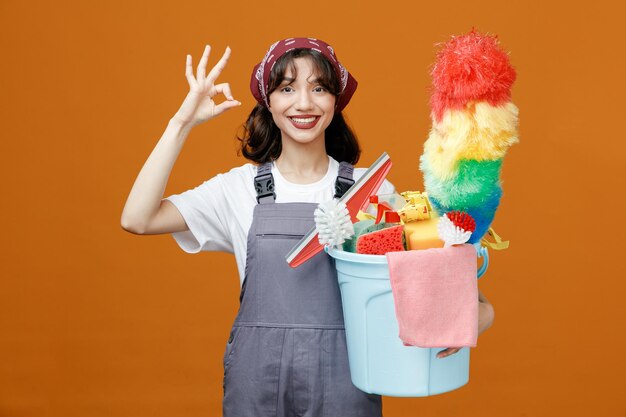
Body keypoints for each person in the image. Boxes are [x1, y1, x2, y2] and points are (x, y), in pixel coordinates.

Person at [121, 37, 495, 416]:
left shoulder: (372, 190)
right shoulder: (238, 189)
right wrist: (181, 122)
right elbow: (138, 218)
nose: (304, 103)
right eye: (287, 88)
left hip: (347, 380)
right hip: (256, 382)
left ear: (336, 100)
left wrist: (479, 310)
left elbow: (427, 271)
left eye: (319, 88)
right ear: (269, 102)